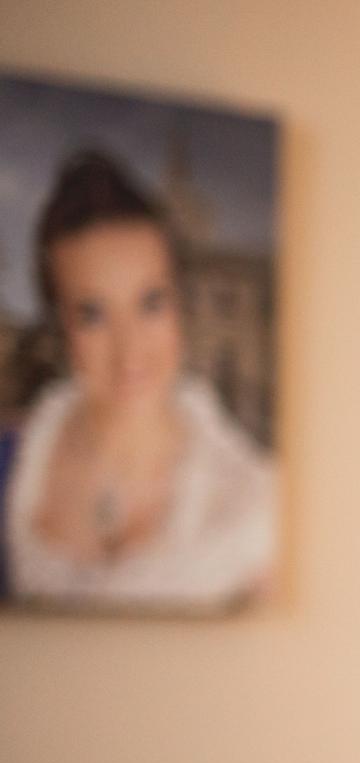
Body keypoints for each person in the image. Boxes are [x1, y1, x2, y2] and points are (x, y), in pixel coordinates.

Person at [0, 150, 273, 609]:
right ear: (61, 327)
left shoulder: (251, 506)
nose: (129, 352)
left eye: (150, 303)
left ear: (179, 308)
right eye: (92, 314)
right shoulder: (12, 467)